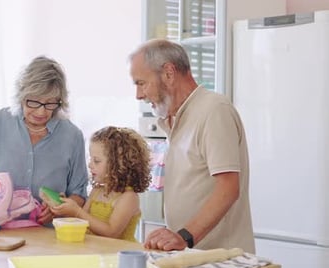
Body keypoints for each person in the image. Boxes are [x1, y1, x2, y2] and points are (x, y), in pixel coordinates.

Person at [128, 39, 255, 253]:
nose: (139, 95)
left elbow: (228, 188)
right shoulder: (174, 117)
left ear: (169, 73)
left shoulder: (214, 110)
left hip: (220, 259)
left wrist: (184, 236)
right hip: (192, 255)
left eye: (141, 83)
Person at [0, 56, 89, 225]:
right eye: (34, 102)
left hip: (47, 237)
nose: (41, 112)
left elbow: (79, 196)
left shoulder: (72, 136)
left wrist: (57, 211)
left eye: (50, 103)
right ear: (21, 96)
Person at [51, 126, 151, 242]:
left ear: (119, 164)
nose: (90, 165)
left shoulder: (128, 198)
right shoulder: (97, 190)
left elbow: (111, 232)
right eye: (91, 159)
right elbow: (83, 221)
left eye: (96, 161)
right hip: (96, 251)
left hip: (117, 256)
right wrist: (65, 206)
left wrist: (76, 211)